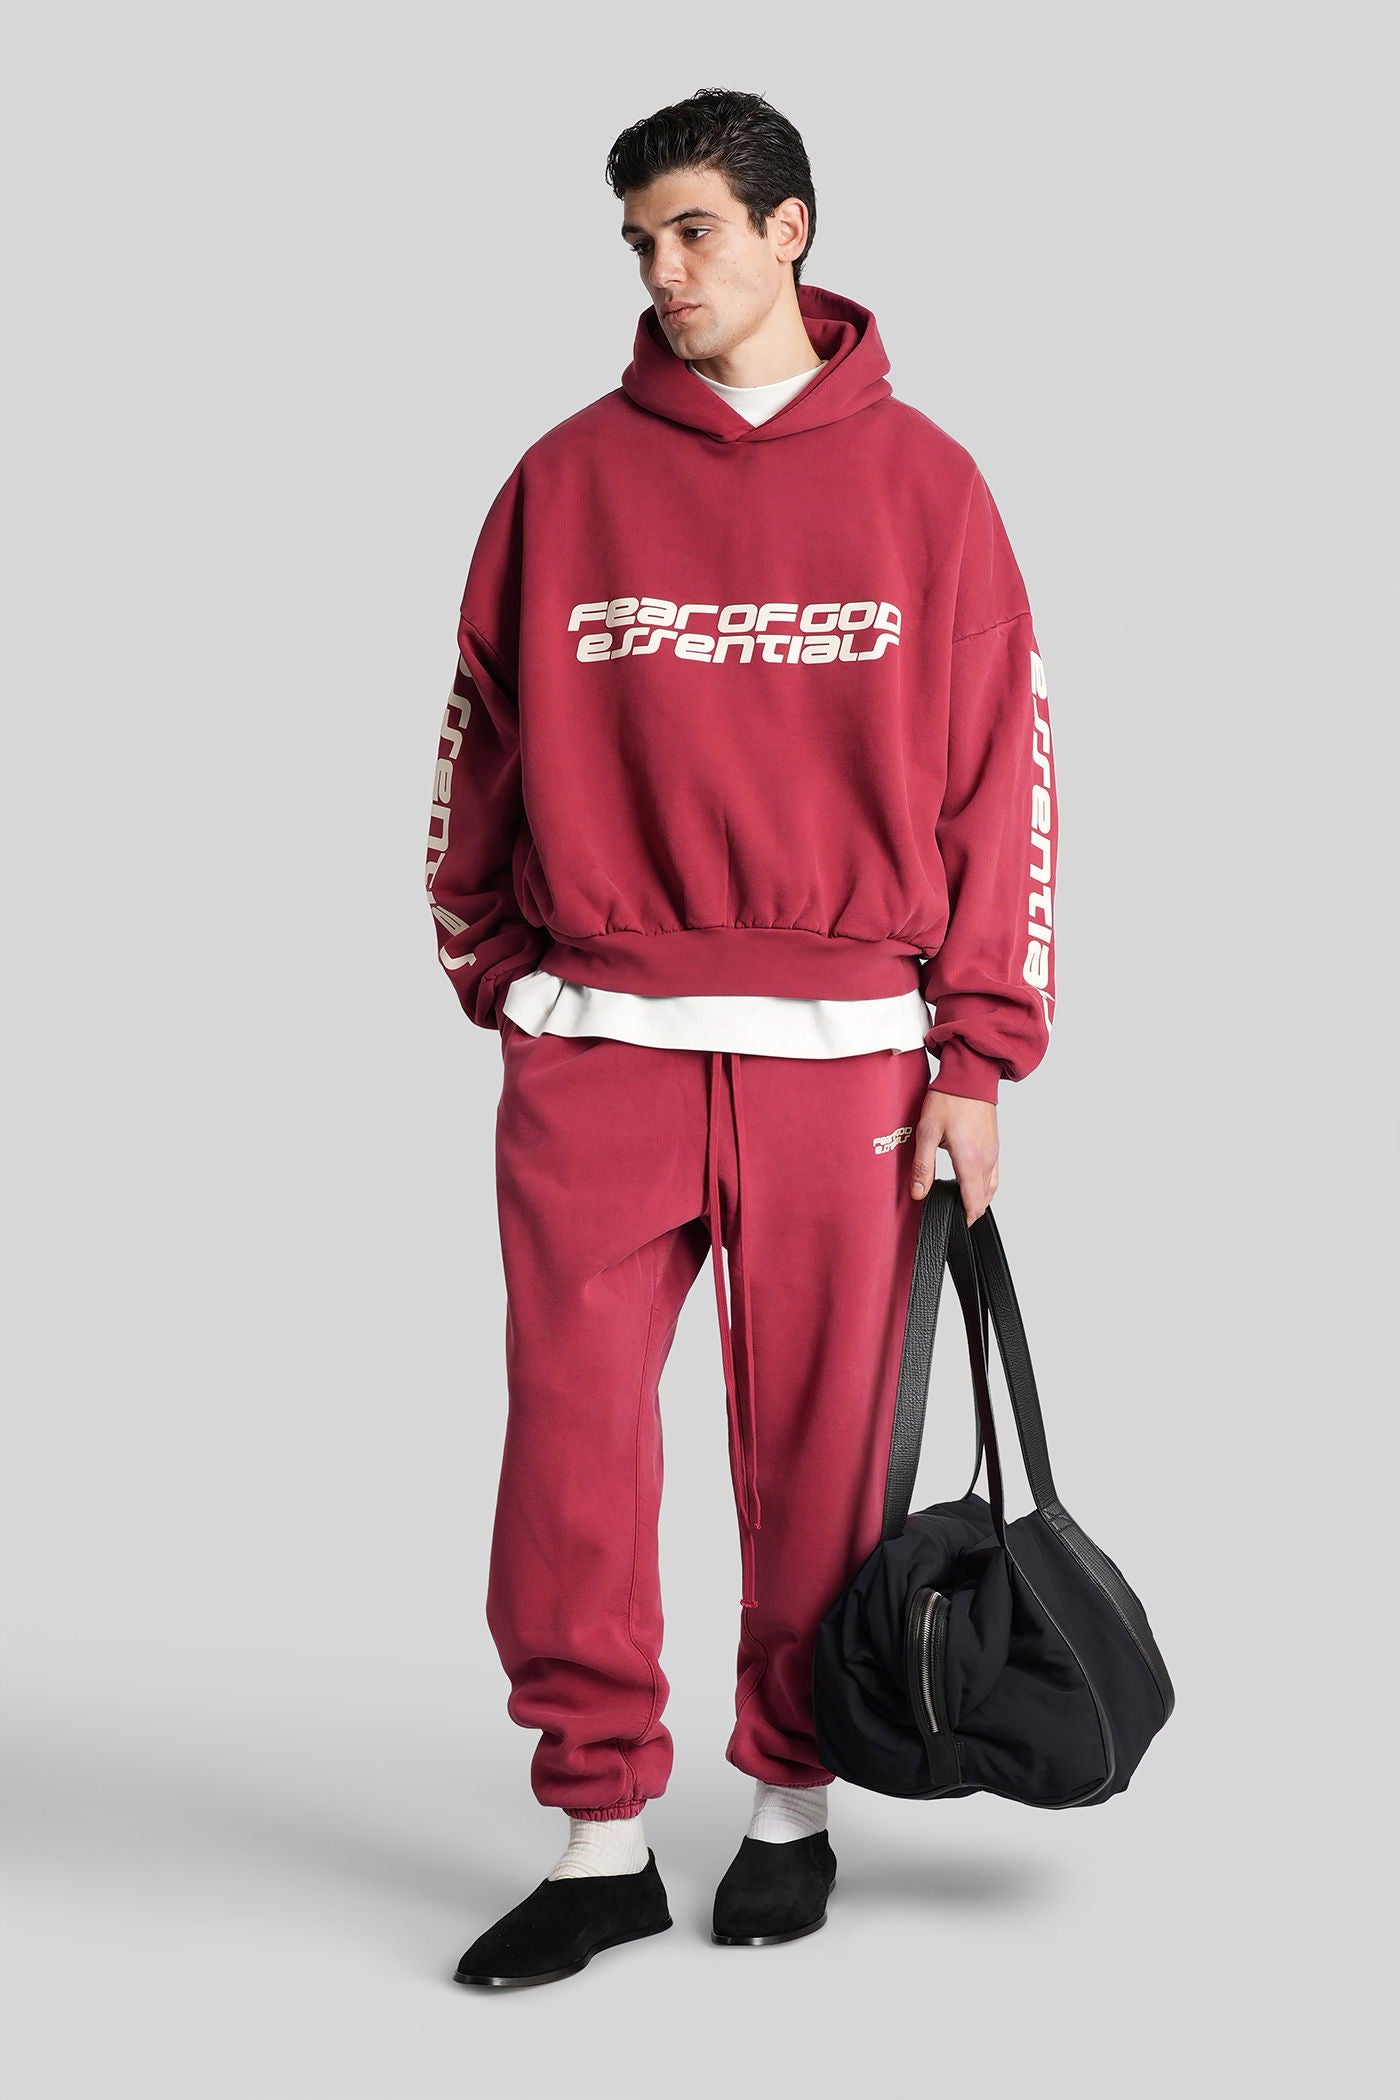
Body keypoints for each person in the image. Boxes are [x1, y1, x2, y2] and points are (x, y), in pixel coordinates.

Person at [426, 87, 1057, 1988]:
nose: (664, 269)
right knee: (568, 1451)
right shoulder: (562, 480)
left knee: (819, 1461)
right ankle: (598, 1837)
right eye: (641, 241)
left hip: (846, 1061)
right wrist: (503, 973)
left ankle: (791, 1801)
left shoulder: (929, 487)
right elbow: (476, 746)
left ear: (792, 228)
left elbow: (1003, 784)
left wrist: (976, 1058)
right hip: (602, 1052)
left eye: (695, 228)